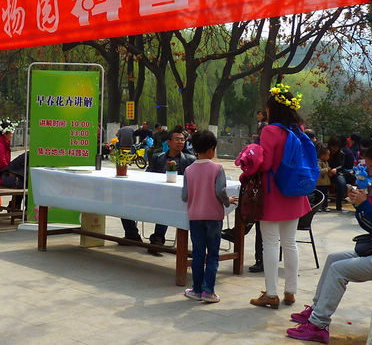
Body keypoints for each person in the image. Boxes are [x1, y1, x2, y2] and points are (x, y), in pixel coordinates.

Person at [286, 143, 372, 344]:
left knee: (339, 270)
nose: (371, 173)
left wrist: (364, 205)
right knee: (333, 259)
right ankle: (316, 310)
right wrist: (361, 206)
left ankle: (318, 325)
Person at [249, 85, 311, 309]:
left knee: (270, 244)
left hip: (273, 192)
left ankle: (272, 294)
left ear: (272, 108)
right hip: (294, 192)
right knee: (290, 243)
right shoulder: (299, 129)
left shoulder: (270, 131)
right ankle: (290, 292)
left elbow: (265, 164)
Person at [182, 130, 237, 303]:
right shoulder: (217, 168)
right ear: (211, 149)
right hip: (213, 216)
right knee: (213, 254)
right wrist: (228, 201)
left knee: (198, 253)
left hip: (195, 217)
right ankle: (209, 291)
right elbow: (220, 191)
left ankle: (196, 289)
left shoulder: (188, 170)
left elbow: (184, 196)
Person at [120, 127, 196, 242]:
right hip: (154, 195)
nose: (180, 142)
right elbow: (148, 174)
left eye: (182, 140)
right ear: (169, 142)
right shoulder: (158, 157)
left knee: (166, 206)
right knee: (124, 203)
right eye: (177, 139)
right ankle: (132, 235)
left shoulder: (190, 160)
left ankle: (158, 237)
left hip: (176, 199)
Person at [327, 136, 347, 212]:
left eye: (336, 147)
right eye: (333, 146)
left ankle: (339, 204)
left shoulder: (341, 154)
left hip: (337, 173)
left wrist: (336, 169)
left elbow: (342, 165)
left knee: (342, 183)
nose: (334, 149)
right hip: (325, 172)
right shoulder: (325, 151)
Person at [315, 143, 331, 212]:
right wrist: (327, 169)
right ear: (322, 155)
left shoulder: (326, 162)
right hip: (320, 183)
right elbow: (319, 171)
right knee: (319, 195)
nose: (329, 157)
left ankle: (325, 206)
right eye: (328, 155)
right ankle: (318, 206)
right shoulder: (318, 162)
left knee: (326, 195)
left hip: (326, 182)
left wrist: (330, 172)